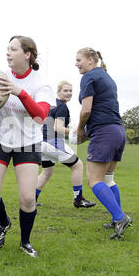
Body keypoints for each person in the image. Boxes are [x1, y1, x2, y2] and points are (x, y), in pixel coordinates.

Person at [0, 35, 56, 257]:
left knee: (28, 198)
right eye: (7, 49)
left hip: (27, 142)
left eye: (13, 49)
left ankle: (25, 242)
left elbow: (41, 117)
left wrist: (19, 91)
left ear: (27, 54)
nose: (8, 53)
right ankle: (4, 223)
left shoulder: (41, 84)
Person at [75, 47, 132, 240]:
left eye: (79, 60)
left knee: (94, 180)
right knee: (108, 178)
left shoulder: (89, 77)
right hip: (118, 131)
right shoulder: (107, 77)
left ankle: (120, 217)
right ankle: (117, 219)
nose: (76, 64)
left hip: (104, 132)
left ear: (91, 60)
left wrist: (80, 129)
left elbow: (86, 110)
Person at [36, 80, 95, 208]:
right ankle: (78, 200)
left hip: (41, 143)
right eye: (65, 91)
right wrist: (75, 131)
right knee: (78, 166)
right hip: (53, 142)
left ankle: (31, 199)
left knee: (47, 172)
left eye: (70, 91)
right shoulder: (62, 106)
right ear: (58, 92)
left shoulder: (51, 104)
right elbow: (58, 128)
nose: (68, 93)